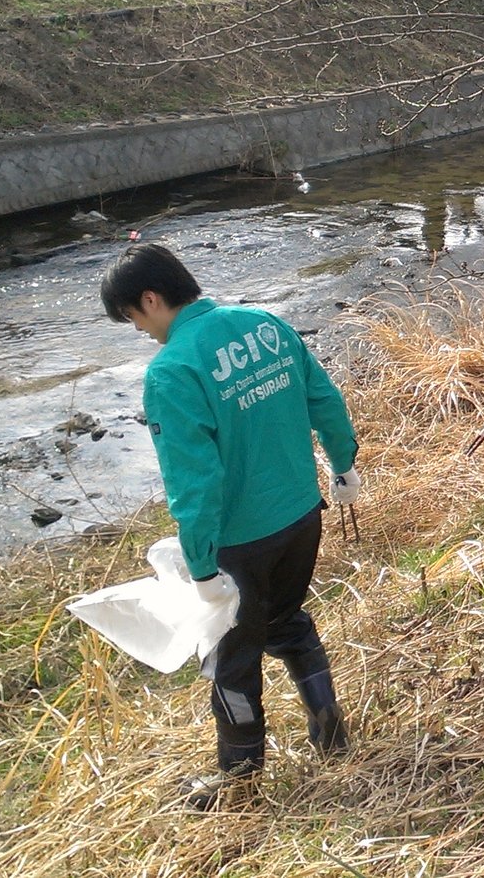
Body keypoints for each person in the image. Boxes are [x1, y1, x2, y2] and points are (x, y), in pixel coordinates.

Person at [100, 243, 362, 809]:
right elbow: (325, 399)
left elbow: (195, 483)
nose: (140, 331)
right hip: (300, 515)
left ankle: (239, 781)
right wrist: (344, 466)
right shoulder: (263, 323)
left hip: (240, 542)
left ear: (151, 299)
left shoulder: (172, 370)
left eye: (133, 319)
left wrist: (200, 566)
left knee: (229, 658)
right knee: (287, 622)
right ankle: (330, 731)